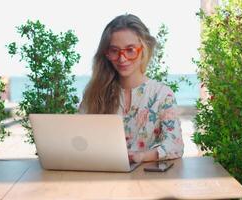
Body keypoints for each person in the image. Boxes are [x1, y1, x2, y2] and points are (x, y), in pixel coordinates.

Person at [79, 14, 184, 163]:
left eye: (130, 50)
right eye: (114, 51)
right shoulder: (95, 94)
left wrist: (141, 156)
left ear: (144, 49)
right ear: (106, 54)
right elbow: (80, 140)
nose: (122, 58)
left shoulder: (162, 95)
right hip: (101, 176)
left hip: (146, 179)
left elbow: (175, 145)